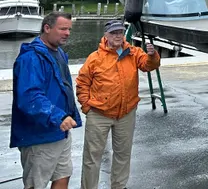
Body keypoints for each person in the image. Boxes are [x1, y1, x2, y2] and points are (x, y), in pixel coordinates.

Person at [76, 19, 160, 189]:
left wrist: (152, 55)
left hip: (126, 113)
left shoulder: (133, 52)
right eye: (113, 33)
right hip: (99, 114)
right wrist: (87, 107)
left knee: (123, 154)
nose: (117, 36)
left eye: (120, 32)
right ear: (105, 35)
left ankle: (119, 186)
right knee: (92, 157)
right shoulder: (94, 58)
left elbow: (148, 66)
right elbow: (82, 83)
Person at [10, 11, 82, 189]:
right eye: (63, 29)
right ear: (47, 28)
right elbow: (29, 96)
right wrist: (58, 116)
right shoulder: (30, 58)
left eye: (69, 29)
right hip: (39, 134)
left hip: (61, 131)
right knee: (36, 184)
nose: (67, 33)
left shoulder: (59, 54)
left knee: (63, 175)